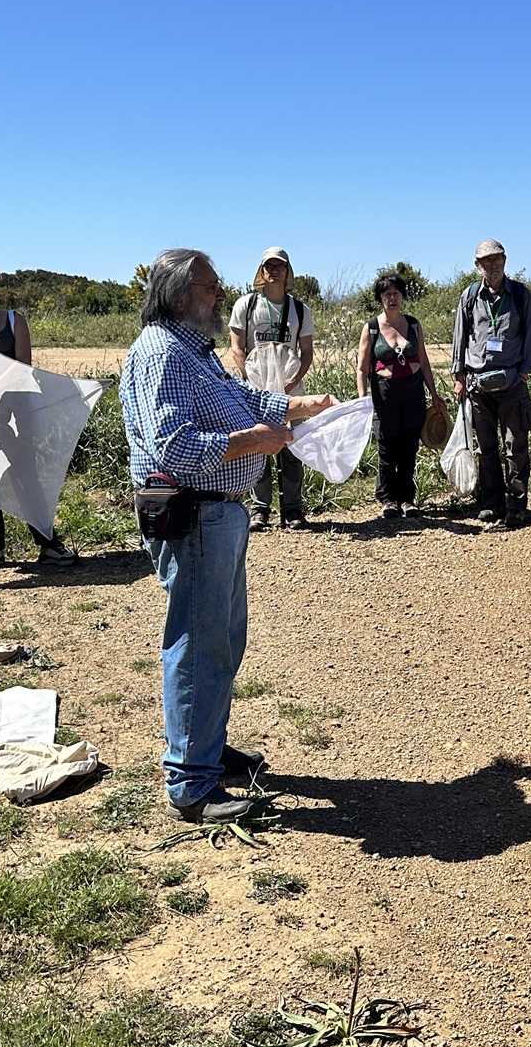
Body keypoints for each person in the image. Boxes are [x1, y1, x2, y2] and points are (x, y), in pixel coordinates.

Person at [122, 248, 338, 823]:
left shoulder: (192, 351)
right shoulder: (163, 354)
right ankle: (191, 783)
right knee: (199, 644)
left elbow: (242, 400)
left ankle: (206, 751)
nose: (221, 295)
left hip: (216, 516)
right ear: (176, 296)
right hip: (193, 515)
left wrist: (298, 406)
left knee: (221, 639)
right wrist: (254, 442)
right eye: (210, 287)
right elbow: (174, 447)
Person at [0, 259, 77, 571]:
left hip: (15, 411)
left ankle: (48, 544)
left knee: (26, 475)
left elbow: (23, 367)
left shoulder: (14, 320)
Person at [450, 239, 531, 527]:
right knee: (486, 447)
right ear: (477, 265)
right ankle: (491, 503)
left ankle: (516, 505)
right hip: (478, 385)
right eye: (485, 261)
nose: (492, 265)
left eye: (496, 259)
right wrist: (459, 375)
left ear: (505, 260)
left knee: (515, 446)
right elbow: (460, 336)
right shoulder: (469, 296)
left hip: (512, 383)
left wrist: (526, 370)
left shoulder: (519, 294)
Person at [229, 247, 316, 530]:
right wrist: (250, 381)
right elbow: (237, 347)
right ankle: (260, 510)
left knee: (291, 446)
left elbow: (307, 352)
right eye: (269, 266)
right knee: (258, 445)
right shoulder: (246, 305)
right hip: (254, 392)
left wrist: (293, 381)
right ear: (261, 271)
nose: (274, 271)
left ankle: (293, 510)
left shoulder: (300, 310)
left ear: (288, 271)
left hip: (290, 392)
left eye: (280, 266)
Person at [355, 273, 442, 520]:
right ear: (380, 299)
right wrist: (363, 399)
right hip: (385, 393)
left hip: (413, 390)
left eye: (396, 294)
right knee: (387, 444)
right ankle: (388, 499)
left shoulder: (413, 325)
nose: (392, 299)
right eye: (386, 295)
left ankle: (407, 498)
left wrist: (434, 395)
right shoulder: (371, 328)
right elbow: (362, 368)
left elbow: (424, 362)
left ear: (403, 297)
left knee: (409, 444)